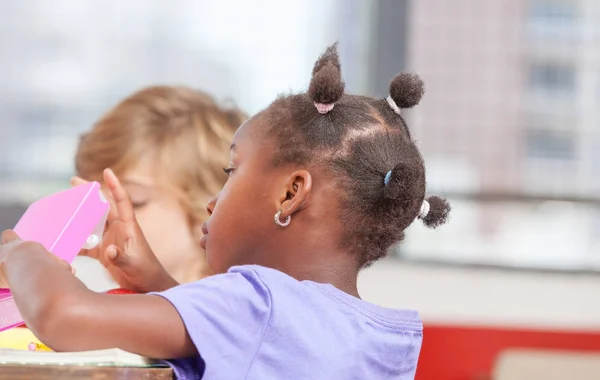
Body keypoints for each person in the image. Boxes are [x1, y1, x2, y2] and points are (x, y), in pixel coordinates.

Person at [0, 44, 450, 380]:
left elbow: (64, 317)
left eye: (231, 171)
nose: (213, 201)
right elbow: (243, 341)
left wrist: (25, 251)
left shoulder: (255, 302)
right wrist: (155, 281)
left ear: (291, 193)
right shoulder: (375, 335)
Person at [73, 86, 246, 285]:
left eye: (133, 200)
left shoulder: (236, 308)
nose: (103, 218)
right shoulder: (116, 302)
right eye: (95, 202)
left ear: (210, 207)